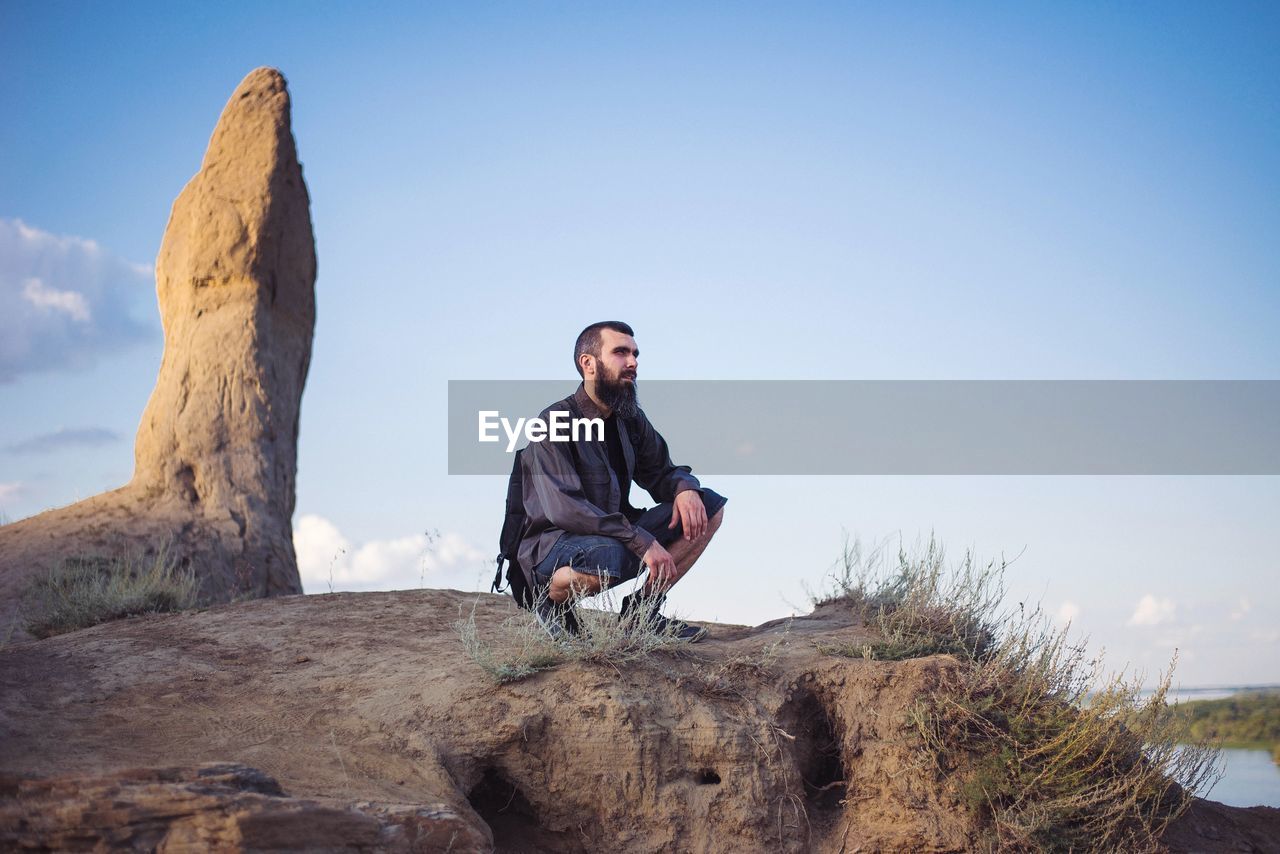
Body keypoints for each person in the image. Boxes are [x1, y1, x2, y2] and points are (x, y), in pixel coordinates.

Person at [518, 321, 727, 641]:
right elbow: (567, 510)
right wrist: (642, 541)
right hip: (553, 544)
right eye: (620, 353)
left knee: (708, 507)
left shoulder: (630, 419)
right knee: (611, 556)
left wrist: (685, 488)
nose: (633, 363)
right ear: (587, 363)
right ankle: (550, 599)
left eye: (634, 354)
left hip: (615, 533)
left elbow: (662, 472)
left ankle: (640, 615)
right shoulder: (552, 422)